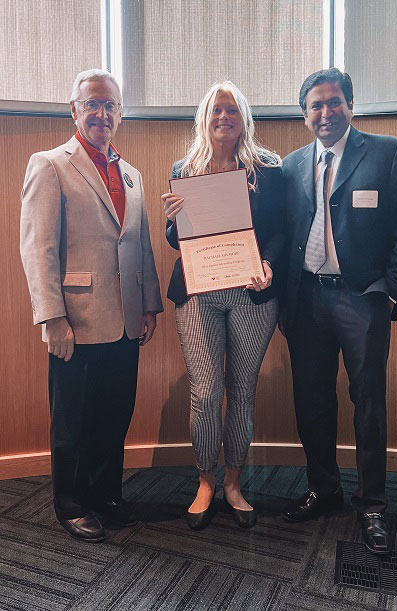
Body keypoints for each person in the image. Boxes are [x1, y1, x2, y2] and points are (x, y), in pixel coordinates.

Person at [281, 68, 397, 554]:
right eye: (316, 105)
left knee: (368, 404)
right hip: (307, 299)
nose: (326, 112)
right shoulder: (292, 165)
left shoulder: (389, 154)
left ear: (350, 105)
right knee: (312, 400)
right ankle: (324, 489)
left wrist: (391, 293)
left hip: (363, 299)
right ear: (305, 114)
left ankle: (372, 505)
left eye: (334, 102)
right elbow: (283, 235)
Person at [20, 69, 163, 542]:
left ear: (120, 113)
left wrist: (148, 306)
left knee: (114, 413)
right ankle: (72, 503)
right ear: (74, 110)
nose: (102, 113)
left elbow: (140, 245)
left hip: (124, 320)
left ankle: (106, 496)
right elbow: (38, 247)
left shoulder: (132, 174)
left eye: (111, 106)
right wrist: (51, 317)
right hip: (75, 322)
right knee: (73, 420)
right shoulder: (50, 164)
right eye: (93, 104)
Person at [162, 81, 285, 530]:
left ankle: (234, 481)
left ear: (244, 117)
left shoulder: (266, 169)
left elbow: (281, 230)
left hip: (252, 292)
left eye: (231, 109)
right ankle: (206, 480)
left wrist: (269, 263)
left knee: (242, 391)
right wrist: (173, 220)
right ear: (204, 117)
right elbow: (180, 241)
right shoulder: (185, 168)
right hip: (199, 292)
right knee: (208, 392)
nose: (223, 117)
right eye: (216, 110)